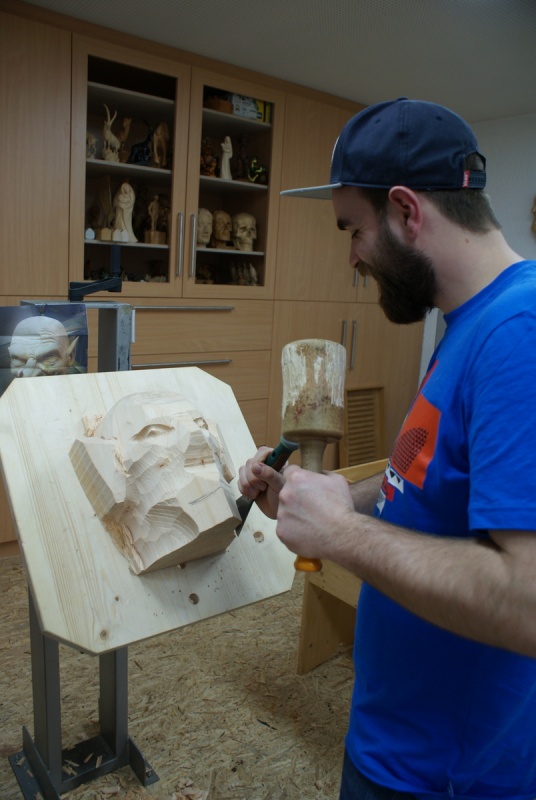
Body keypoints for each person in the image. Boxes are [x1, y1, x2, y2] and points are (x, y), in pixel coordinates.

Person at [238, 97, 536, 800]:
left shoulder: (518, 336)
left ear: (406, 210)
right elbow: (424, 483)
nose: (352, 256)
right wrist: (333, 498)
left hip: (447, 777)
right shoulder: (470, 323)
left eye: (354, 229)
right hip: (396, 740)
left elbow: (527, 601)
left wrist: (340, 534)